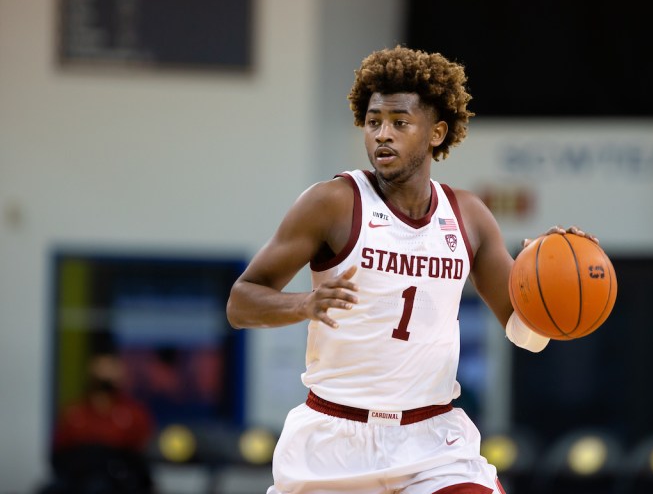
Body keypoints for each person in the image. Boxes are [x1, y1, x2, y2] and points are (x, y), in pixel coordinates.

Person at [226, 45, 594, 494]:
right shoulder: (333, 203)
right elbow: (240, 302)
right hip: (333, 441)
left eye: (399, 123)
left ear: (436, 132)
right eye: (374, 121)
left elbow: (528, 335)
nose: (383, 134)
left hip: (432, 442)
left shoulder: (469, 216)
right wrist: (304, 302)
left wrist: (550, 279)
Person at [44, 351, 155, 494]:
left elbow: (142, 459)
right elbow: (58, 456)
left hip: (120, 483)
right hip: (78, 483)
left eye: (111, 368)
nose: (105, 374)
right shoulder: (74, 412)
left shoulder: (135, 413)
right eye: (101, 368)